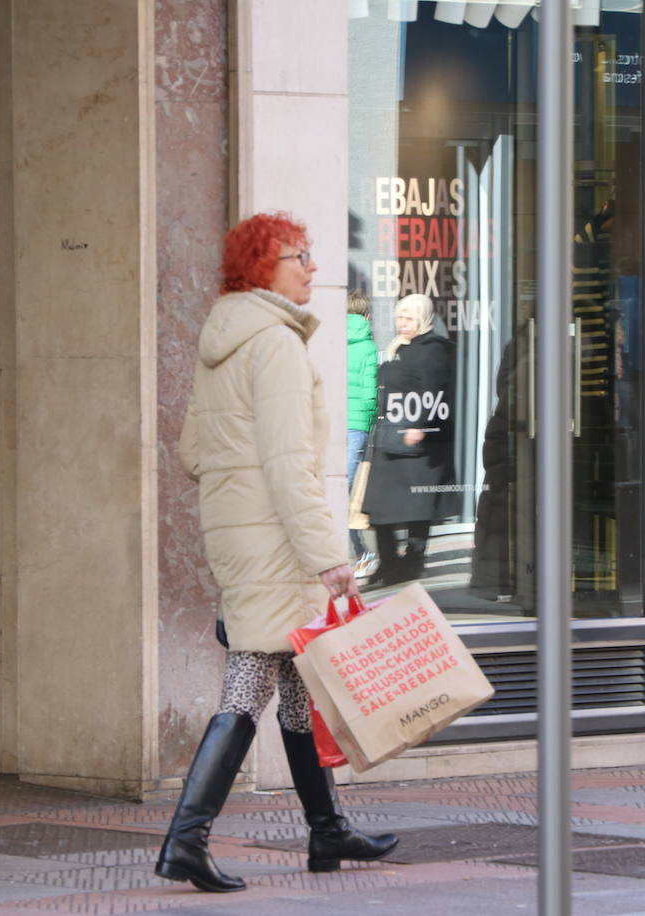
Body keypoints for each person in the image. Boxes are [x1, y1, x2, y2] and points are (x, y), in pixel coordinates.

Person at [161, 212, 399, 893]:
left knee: (297, 684)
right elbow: (291, 464)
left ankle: (327, 832)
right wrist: (328, 555)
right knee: (249, 684)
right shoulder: (275, 347)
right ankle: (186, 840)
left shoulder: (228, 339)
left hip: (244, 534)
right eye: (301, 255)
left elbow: (193, 452)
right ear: (266, 266)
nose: (313, 268)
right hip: (277, 542)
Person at [362, 293, 458, 585]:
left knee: (417, 505)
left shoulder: (433, 350)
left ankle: (411, 561)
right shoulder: (399, 347)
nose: (401, 324)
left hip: (418, 443)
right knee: (379, 507)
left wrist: (419, 425)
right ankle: (389, 562)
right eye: (399, 317)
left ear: (422, 319)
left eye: (408, 318)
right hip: (392, 438)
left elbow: (435, 390)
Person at [346, 290, 379, 578]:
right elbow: (369, 395)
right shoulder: (367, 346)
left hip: (330, 424)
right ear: (366, 315)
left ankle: (358, 554)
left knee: (334, 493)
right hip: (355, 425)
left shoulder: (330, 338)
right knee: (346, 495)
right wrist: (369, 426)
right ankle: (361, 554)